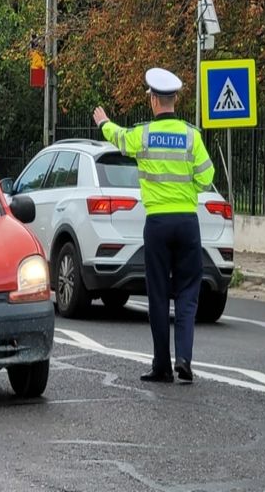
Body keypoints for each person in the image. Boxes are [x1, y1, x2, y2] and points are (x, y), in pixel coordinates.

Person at [93, 67, 215, 384]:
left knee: (159, 295)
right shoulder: (192, 136)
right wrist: (188, 191)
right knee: (188, 293)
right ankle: (184, 360)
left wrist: (104, 122)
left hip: (157, 224)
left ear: (152, 101)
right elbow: (207, 177)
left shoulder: (144, 135)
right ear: (174, 99)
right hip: (188, 223)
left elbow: (118, 137)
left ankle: (162, 365)